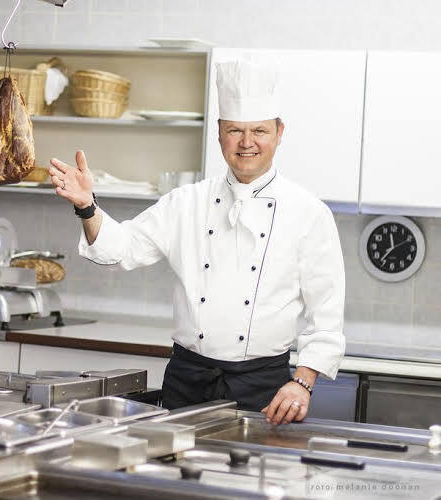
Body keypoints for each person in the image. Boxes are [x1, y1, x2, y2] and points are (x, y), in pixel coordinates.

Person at [48, 59, 345, 426]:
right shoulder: (186, 202)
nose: (247, 142)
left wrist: (302, 382)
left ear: (279, 132)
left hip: (264, 389)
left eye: (259, 131)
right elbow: (120, 249)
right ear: (219, 133)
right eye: (235, 130)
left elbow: (326, 316)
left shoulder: (308, 213)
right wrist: (87, 206)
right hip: (187, 382)